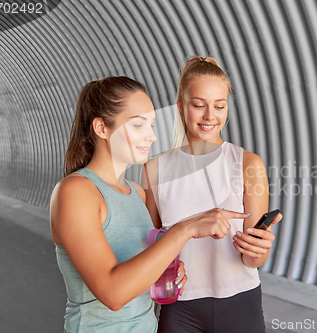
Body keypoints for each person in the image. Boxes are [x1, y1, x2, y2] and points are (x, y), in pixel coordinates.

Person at [50, 76, 250, 333]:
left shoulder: (137, 193)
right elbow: (113, 293)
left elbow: (138, 274)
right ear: (101, 129)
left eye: (152, 125)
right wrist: (184, 229)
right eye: (138, 125)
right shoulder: (76, 192)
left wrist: (167, 270)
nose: (152, 136)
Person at [142, 57, 282, 333]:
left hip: (241, 303)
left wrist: (259, 249)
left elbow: (252, 260)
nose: (210, 116)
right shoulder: (154, 170)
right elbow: (152, 245)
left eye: (219, 106)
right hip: (179, 308)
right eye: (199, 105)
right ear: (181, 107)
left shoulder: (248, 164)